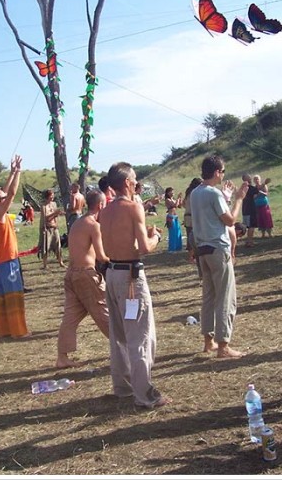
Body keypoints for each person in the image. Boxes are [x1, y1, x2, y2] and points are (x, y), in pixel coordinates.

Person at [98, 161, 171, 409]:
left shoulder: (105, 211)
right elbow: (144, 248)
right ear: (128, 183)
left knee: (118, 335)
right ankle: (145, 394)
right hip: (130, 277)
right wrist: (156, 236)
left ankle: (123, 387)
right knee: (140, 335)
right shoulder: (133, 207)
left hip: (111, 274)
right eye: (136, 179)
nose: (137, 183)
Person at [190, 155, 249, 359]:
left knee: (209, 296)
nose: (223, 175)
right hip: (217, 249)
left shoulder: (195, 193)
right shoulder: (213, 193)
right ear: (216, 172)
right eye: (223, 171)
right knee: (225, 297)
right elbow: (230, 220)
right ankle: (223, 345)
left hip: (202, 250)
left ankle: (209, 341)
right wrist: (239, 198)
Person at [56, 190, 110, 368]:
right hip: (86, 274)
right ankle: (124, 346)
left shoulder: (77, 222)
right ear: (100, 205)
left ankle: (62, 357)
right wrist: (117, 258)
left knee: (70, 317)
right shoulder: (93, 225)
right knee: (104, 311)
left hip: (71, 274)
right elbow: (101, 256)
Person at [0, 155, 29, 338]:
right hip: (8, 260)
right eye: (1, 198)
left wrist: (12, 172)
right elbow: (11, 193)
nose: (5, 198)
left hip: (1, 260)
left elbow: (5, 192)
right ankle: (18, 331)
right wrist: (18, 172)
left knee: (4, 297)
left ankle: (5, 330)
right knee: (14, 297)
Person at [39, 188, 66, 269]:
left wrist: (59, 213)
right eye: (51, 195)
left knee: (58, 245)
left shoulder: (54, 204)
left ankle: (60, 262)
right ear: (47, 196)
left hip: (54, 227)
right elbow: (45, 217)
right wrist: (54, 213)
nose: (53, 197)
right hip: (47, 228)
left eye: (53, 195)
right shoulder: (43, 206)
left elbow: (54, 215)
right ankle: (45, 264)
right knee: (46, 246)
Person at [183, 177, 203, 267]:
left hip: (188, 216)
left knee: (190, 236)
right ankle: (191, 257)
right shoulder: (194, 193)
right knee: (192, 237)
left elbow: (183, 204)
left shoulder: (188, 193)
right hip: (192, 217)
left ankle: (193, 256)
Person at [241, 173, 258, 246]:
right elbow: (255, 197)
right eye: (249, 177)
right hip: (251, 209)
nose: (250, 178)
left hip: (244, 209)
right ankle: (250, 242)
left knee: (247, 226)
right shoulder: (252, 188)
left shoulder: (242, 188)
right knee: (251, 226)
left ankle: (248, 241)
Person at [164, 186, 183, 252]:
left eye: (172, 192)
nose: (172, 193)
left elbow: (179, 206)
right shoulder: (167, 200)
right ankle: (172, 248)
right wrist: (178, 198)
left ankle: (178, 247)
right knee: (172, 233)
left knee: (178, 232)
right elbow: (174, 205)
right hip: (170, 217)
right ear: (167, 193)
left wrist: (180, 199)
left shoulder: (173, 199)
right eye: (170, 192)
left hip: (176, 217)